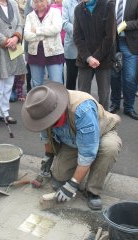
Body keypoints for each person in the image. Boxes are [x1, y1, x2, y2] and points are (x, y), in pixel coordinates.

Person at [21, 82, 122, 210]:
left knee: (109, 148)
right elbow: (47, 138)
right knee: (58, 179)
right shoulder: (41, 111)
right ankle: (81, 171)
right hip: (73, 140)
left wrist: (73, 184)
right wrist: (48, 157)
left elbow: (87, 153)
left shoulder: (82, 109)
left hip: (102, 133)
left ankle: (92, 191)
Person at [0, 0, 27, 131]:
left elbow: (19, 23)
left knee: (8, 83)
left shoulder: (13, 3)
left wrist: (16, 38)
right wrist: (6, 41)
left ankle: (4, 113)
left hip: (14, 48)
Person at [109, 0, 138, 120]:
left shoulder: (137, 1)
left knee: (130, 77)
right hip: (112, 43)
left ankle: (129, 108)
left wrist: (126, 25)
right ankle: (115, 103)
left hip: (130, 43)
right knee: (114, 75)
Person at [73, 0, 116, 110]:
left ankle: (103, 122)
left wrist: (96, 57)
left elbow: (110, 37)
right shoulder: (78, 9)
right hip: (84, 59)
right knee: (82, 96)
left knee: (104, 95)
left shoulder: (108, 6)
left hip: (104, 57)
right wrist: (88, 58)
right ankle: (85, 121)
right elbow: (77, 37)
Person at [24, 0, 65, 87]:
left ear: (47, 1)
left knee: (56, 83)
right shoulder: (30, 16)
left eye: (41, 1)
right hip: (35, 53)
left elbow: (56, 29)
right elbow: (27, 35)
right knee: (36, 84)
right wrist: (44, 35)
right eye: (36, 2)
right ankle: (39, 101)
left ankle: (57, 101)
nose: (39, 4)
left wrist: (37, 30)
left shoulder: (55, 12)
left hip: (54, 52)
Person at [62, 0, 79, 90]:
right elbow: (64, 23)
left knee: (85, 81)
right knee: (71, 80)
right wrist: (79, 31)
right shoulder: (67, 2)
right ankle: (70, 102)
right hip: (72, 46)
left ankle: (84, 102)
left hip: (88, 47)